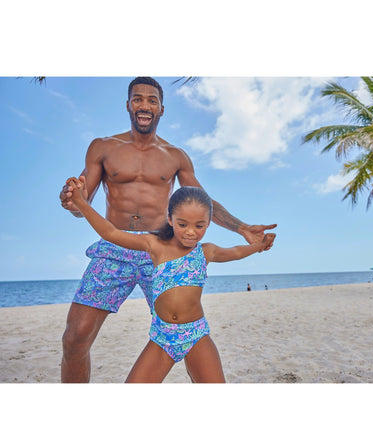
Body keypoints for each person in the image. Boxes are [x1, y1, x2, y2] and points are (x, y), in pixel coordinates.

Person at [59, 77, 276, 383]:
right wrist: (72, 200)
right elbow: (81, 202)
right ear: (128, 105)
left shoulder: (176, 156)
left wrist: (241, 228)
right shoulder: (103, 147)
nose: (144, 105)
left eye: (152, 100)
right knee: (75, 337)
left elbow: (202, 202)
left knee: (186, 333)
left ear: (161, 109)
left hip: (163, 249)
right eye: (138, 98)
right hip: (116, 245)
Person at [67, 180, 276, 382]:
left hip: (196, 336)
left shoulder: (206, 252)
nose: (191, 232)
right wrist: (81, 202)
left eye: (199, 225)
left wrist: (260, 245)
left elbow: (237, 252)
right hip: (162, 338)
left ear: (208, 224)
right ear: (170, 219)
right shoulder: (155, 246)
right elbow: (110, 232)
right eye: (182, 224)